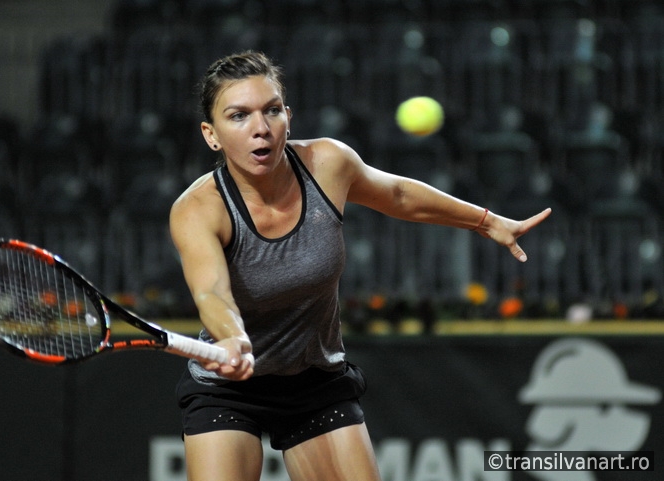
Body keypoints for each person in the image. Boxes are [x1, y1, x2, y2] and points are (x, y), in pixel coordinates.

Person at [169, 50, 551, 481]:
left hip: (314, 380)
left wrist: (486, 221)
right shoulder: (198, 209)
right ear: (211, 134)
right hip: (229, 390)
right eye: (238, 116)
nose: (260, 129)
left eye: (271, 111)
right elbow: (211, 291)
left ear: (288, 117)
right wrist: (233, 337)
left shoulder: (328, 163)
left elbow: (400, 196)